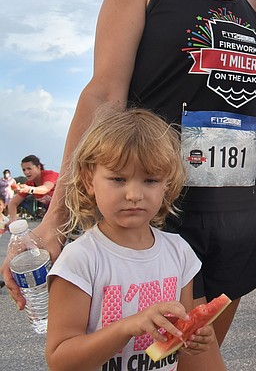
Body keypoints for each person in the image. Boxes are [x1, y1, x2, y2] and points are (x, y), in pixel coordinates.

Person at [2, 0, 256, 370]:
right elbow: (104, 93)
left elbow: (255, 107)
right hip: (149, 213)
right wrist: (56, 219)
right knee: (134, 360)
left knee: (192, 360)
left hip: (233, 219)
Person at [45, 109, 214, 371]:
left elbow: (179, 336)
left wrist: (192, 339)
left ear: (166, 184)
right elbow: (59, 360)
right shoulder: (80, 259)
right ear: (89, 180)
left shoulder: (180, 252)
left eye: (150, 180)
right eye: (118, 179)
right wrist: (126, 327)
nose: (134, 194)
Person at [7, 155, 58, 223]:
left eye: (29, 168)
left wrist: (29, 189)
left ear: (38, 167)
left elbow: (46, 188)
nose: (26, 172)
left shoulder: (49, 175)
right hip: (54, 210)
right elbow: (13, 203)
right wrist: (13, 220)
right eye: (24, 170)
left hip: (72, 205)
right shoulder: (29, 184)